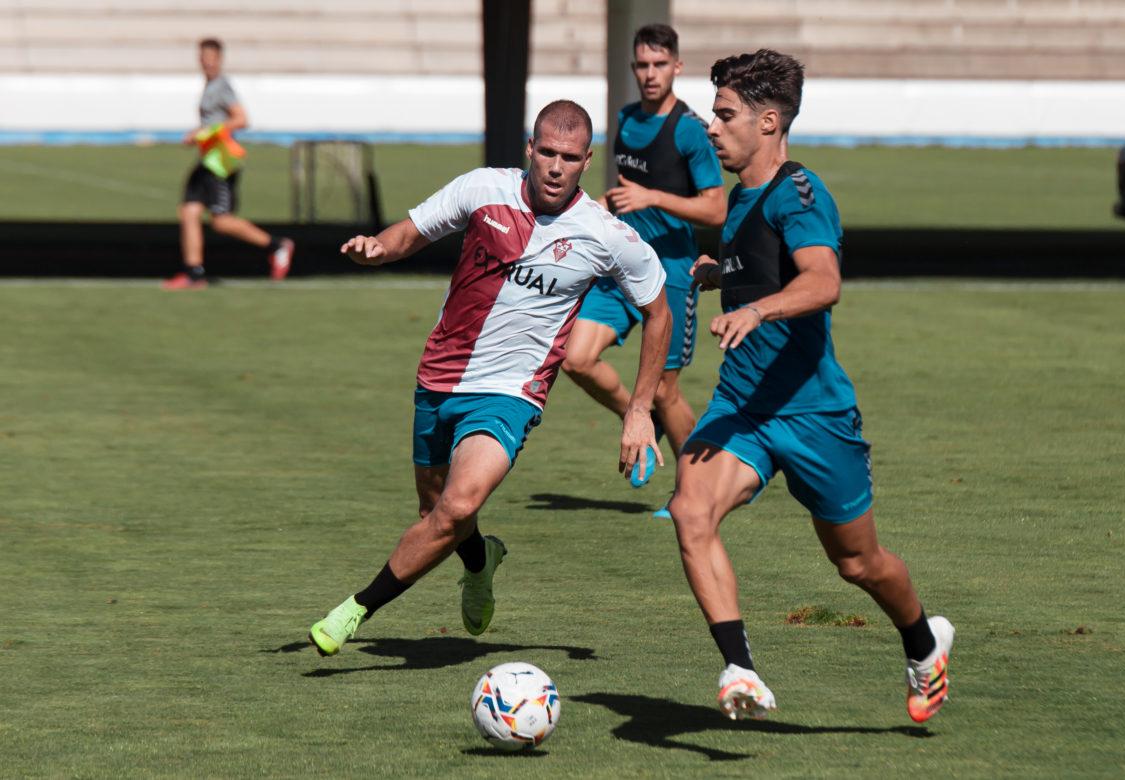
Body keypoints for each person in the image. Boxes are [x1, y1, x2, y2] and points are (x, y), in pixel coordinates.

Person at [308, 100, 672, 656]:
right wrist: (376, 249)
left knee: (456, 508)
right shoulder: (483, 190)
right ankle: (481, 561)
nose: (555, 166)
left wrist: (639, 409)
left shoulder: (605, 235)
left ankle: (355, 610)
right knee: (436, 517)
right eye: (546, 152)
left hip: (511, 394)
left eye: (569, 158)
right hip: (439, 375)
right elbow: (409, 233)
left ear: (586, 161)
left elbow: (659, 311)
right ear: (529, 148)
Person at [668, 49, 954, 724]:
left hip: (814, 415)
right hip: (743, 409)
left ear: (769, 122)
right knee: (690, 511)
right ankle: (739, 669)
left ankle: (923, 641)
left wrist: (755, 309)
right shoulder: (739, 200)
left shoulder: (800, 193)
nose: (712, 126)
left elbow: (823, 282)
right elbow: (760, 270)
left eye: (726, 114)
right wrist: (722, 279)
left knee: (859, 564)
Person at [561, 23, 724, 492]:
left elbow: (716, 207)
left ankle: (700, 491)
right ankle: (638, 416)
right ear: (633, 68)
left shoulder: (691, 132)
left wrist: (653, 197)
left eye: (659, 65)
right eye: (642, 65)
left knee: (667, 388)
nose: (650, 74)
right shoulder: (627, 120)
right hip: (620, 268)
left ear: (677, 66)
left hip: (672, 272)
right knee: (576, 358)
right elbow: (621, 195)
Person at [163, 38, 294, 290]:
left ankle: (277, 245)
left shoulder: (222, 86)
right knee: (189, 211)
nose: (206, 62)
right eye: (202, 57)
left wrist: (205, 133)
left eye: (210, 57)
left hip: (220, 164)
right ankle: (194, 273)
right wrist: (199, 134)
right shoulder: (209, 85)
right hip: (206, 161)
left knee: (222, 221)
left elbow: (242, 119)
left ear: (219, 59)